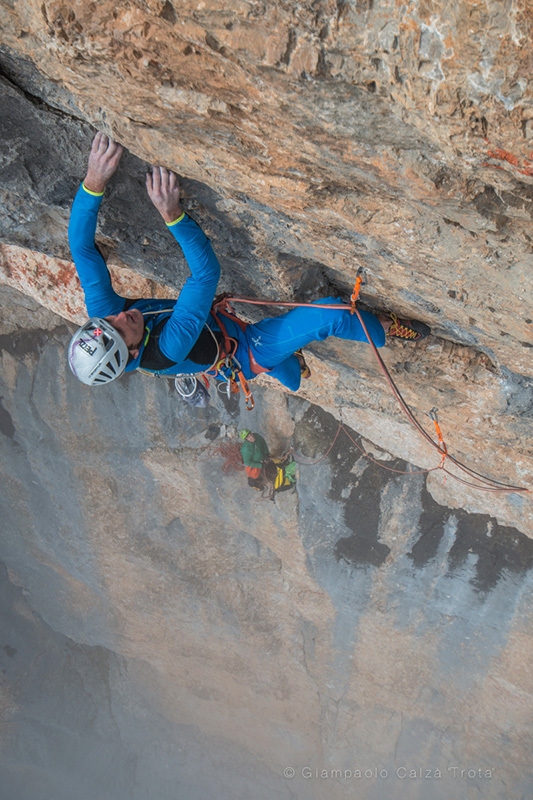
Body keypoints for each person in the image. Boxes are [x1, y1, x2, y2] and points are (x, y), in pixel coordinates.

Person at [67, 133, 430, 392]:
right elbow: (206, 273)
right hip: (246, 350)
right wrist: (173, 214)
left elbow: (81, 247)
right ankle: (386, 330)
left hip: (224, 330)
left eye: (106, 321)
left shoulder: (106, 317)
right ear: (131, 352)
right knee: (330, 317)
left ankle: (292, 364)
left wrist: (95, 180)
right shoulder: (167, 349)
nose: (118, 316)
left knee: (289, 370)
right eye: (119, 329)